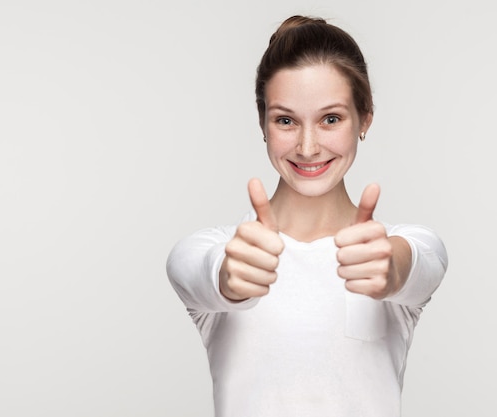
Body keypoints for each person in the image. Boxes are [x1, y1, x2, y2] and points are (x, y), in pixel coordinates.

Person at [166, 15, 448, 417]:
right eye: (286, 120)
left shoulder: (395, 247)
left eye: (330, 119)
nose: (308, 146)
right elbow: (197, 270)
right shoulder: (215, 249)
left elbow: (420, 262)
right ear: (262, 122)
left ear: (364, 118)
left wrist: (392, 267)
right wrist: (228, 275)